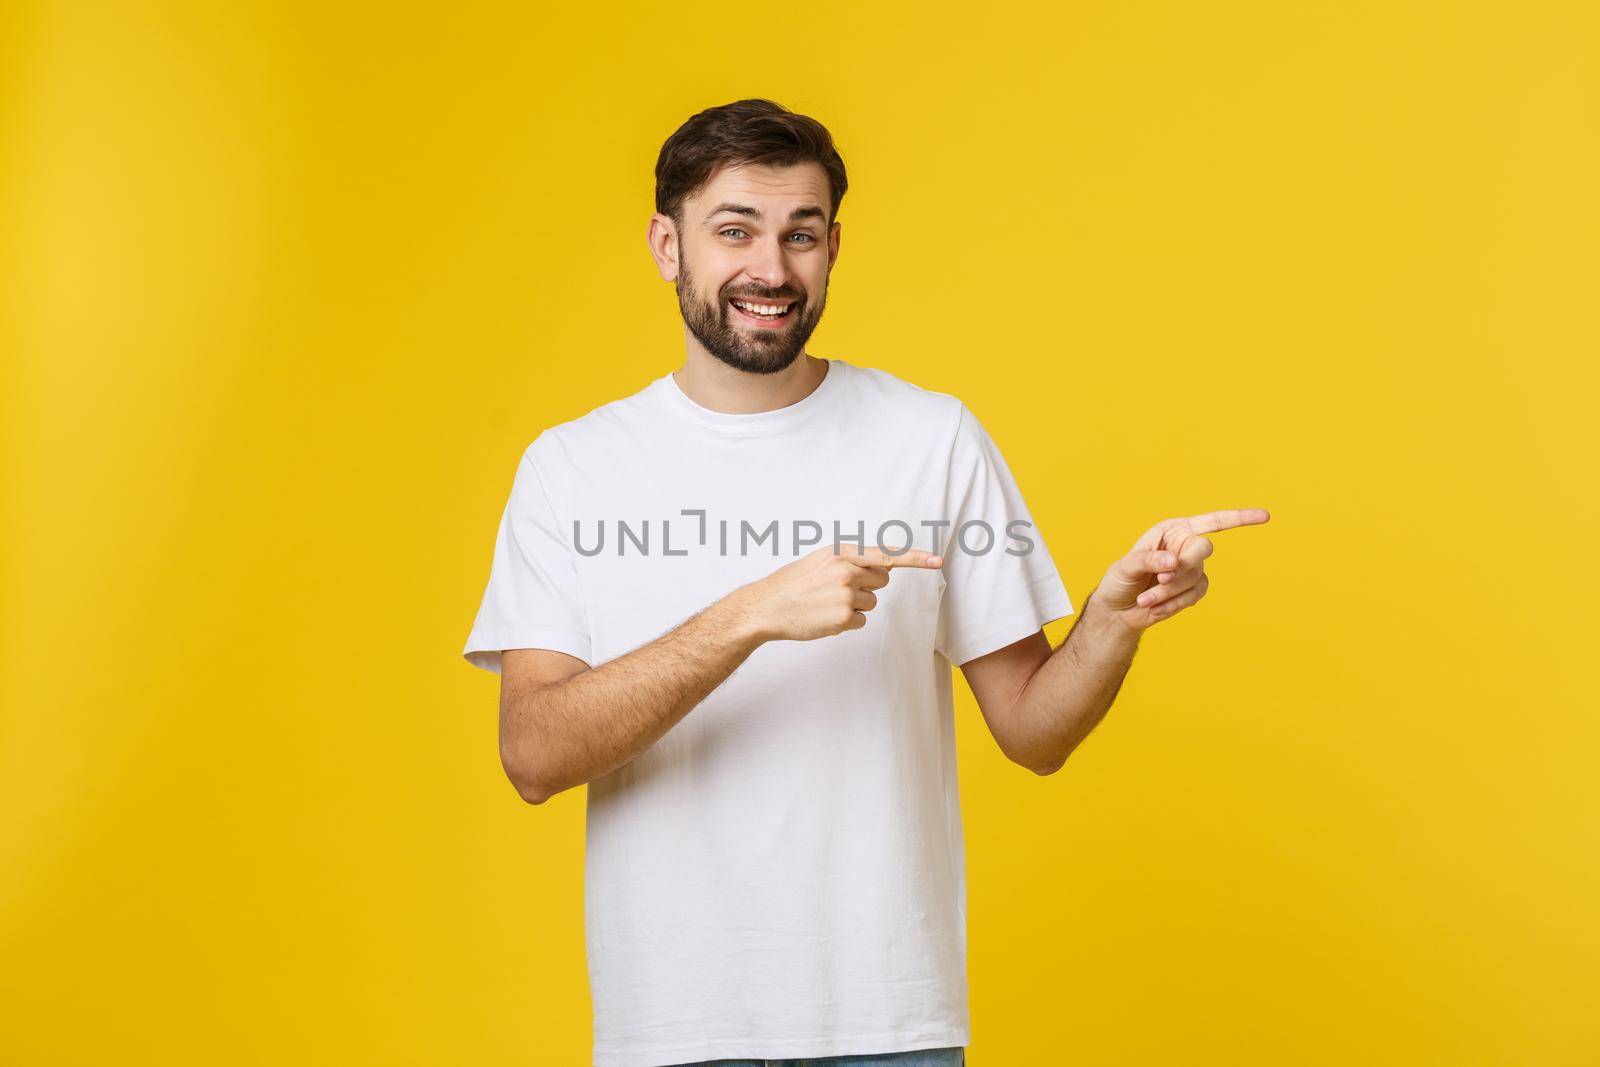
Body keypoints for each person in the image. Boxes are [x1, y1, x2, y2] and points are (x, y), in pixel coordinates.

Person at [462, 98, 1268, 1067]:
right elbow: (534, 754)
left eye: (800, 234)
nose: (771, 268)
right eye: (734, 231)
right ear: (665, 245)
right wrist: (752, 613)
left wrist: (1108, 621)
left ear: (833, 248)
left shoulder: (930, 438)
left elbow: (1033, 730)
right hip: (673, 1026)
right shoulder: (574, 467)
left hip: (890, 1022)